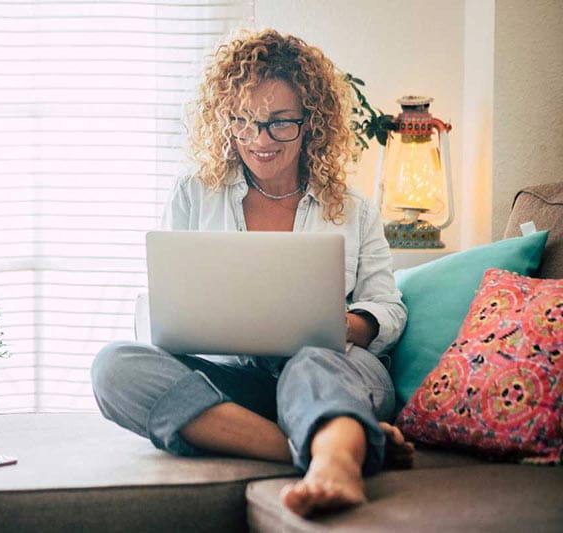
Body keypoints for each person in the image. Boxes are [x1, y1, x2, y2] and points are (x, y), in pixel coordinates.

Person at [90, 28, 414, 517]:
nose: (260, 140)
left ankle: (335, 463)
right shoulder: (193, 194)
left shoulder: (353, 210)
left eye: (280, 123)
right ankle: (317, 447)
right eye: (244, 121)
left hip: (330, 371)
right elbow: (169, 298)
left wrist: (339, 325)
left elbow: (388, 307)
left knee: (311, 361)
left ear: (312, 123)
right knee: (113, 365)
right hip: (234, 386)